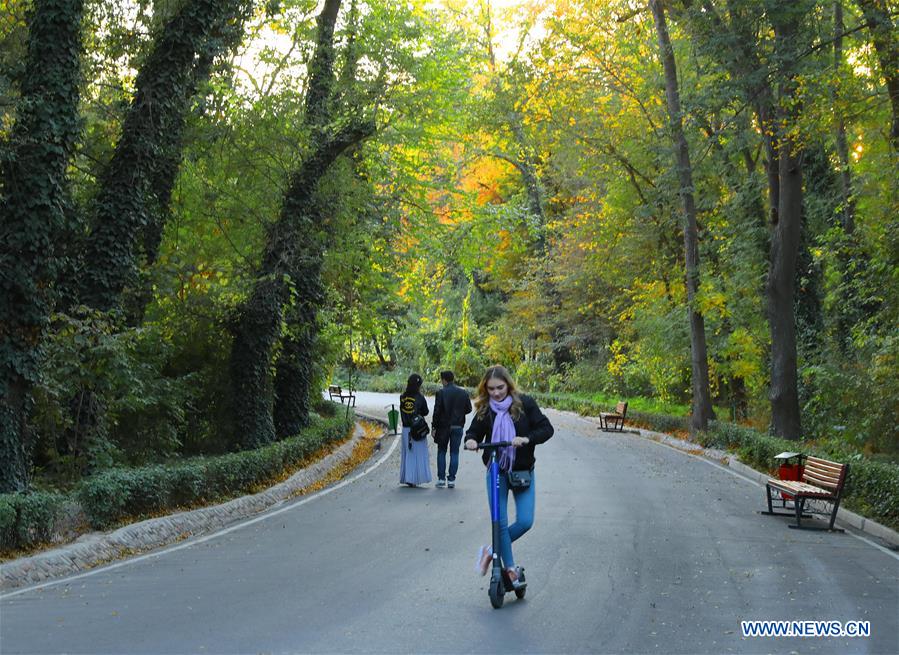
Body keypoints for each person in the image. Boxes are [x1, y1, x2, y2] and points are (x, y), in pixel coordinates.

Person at [464, 365, 553, 587]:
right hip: (497, 471)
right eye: (491, 388)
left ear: (509, 385)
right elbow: (473, 431)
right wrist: (471, 440)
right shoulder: (485, 409)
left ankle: (491, 551)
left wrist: (526, 439)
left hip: (523, 471)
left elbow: (546, 429)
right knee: (500, 523)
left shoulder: (525, 404)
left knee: (524, 521)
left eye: (500, 388)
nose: (496, 393)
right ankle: (510, 569)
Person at [431, 370, 473, 488]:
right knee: (454, 452)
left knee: (442, 451)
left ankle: (441, 479)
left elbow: (437, 411)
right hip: (457, 426)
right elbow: (469, 409)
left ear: (444, 380)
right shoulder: (463, 393)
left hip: (443, 427)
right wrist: (459, 413)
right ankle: (451, 480)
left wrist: (434, 426)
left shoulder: (441, 393)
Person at [399, 373, 432, 487]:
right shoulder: (420, 397)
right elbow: (426, 411)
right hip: (417, 429)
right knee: (418, 454)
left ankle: (408, 477)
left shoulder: (402, 397)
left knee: (408, 453)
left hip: (405, 429)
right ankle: (415, 478)